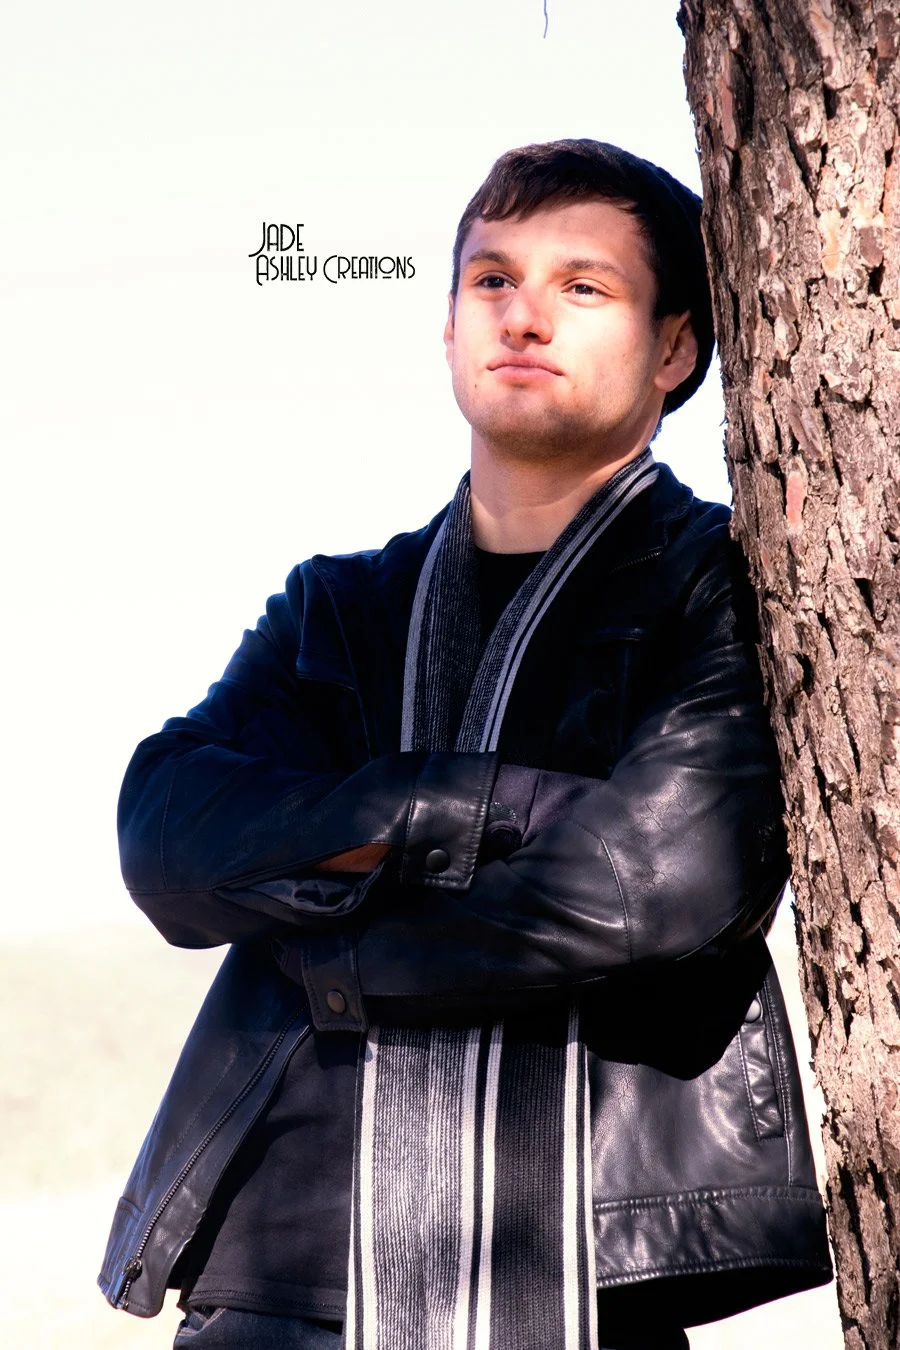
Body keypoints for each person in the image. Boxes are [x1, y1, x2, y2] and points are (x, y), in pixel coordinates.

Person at [98, 140, 833, 1349]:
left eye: (582, 286)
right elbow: (168, 837)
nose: (524, 314)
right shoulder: (337, 608)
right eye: (491, 280)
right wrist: (449, 805)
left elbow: (646, 890)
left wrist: (328, 949)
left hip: (591, 1268)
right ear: (447, 331)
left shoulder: (719, 590)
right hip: (281, 1270)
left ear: (675, 349)